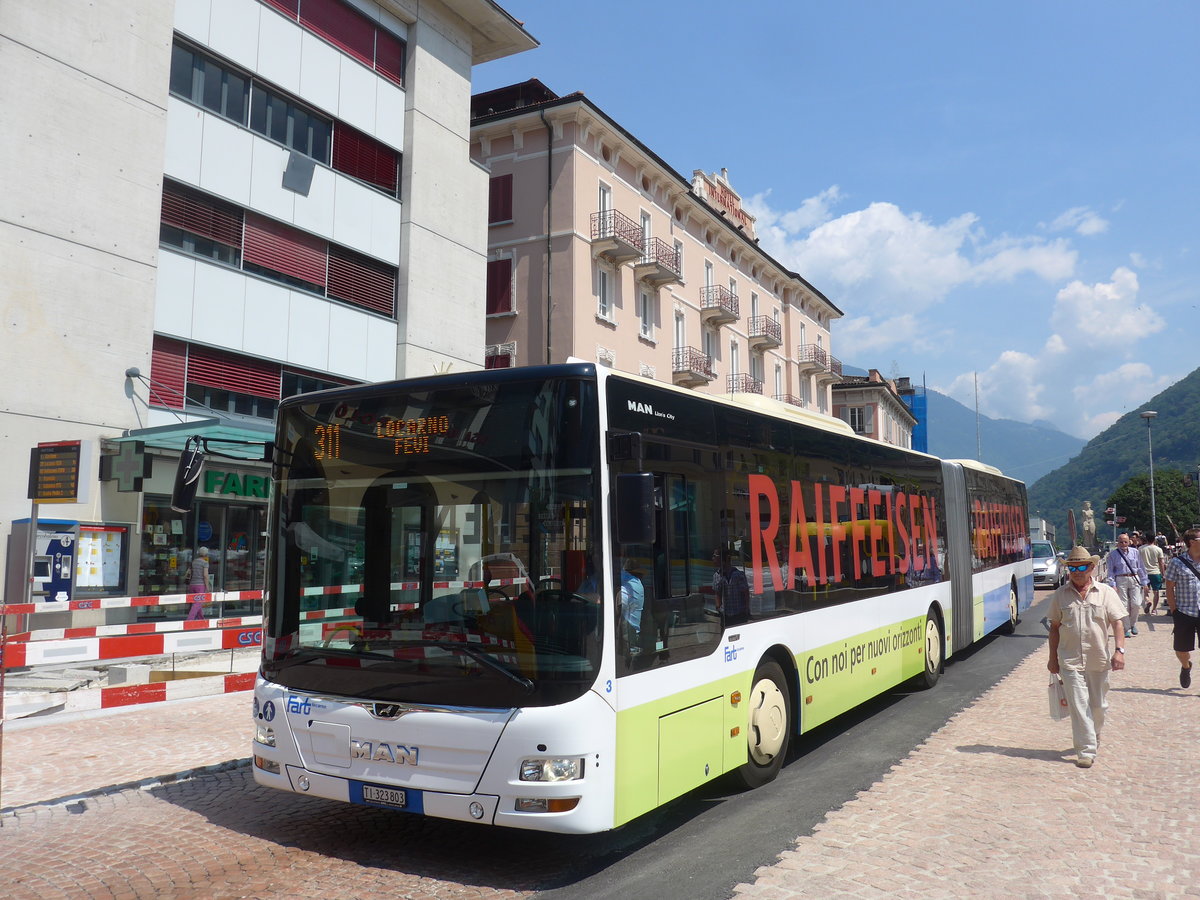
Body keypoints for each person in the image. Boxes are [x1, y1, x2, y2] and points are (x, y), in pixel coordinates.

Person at [1047, 546, 1127, 768]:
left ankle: (1094, 733)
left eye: (1082, 567)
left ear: (1092, 568)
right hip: (1070, 660)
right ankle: (1086, 750)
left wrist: (1119, 651)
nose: (1077, 571)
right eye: (1073, 567)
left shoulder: (1106, 592)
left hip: (1098, 659)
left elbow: (1118, 623)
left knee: (1098, 706)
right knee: (1079, 706)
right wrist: (1052, 658)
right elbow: (1054, 628)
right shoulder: (1060, 596)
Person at [1164, 528, 1200, 689]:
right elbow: (1169, 587)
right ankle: (1186, 666)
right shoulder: (1177, 562)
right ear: (1192, 542)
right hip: (1184, 611)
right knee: (1181, 649)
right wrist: (1174, 611)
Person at [1104, 532, 1149, 637]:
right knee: (1123, 605)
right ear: (1118, 543)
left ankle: (1133, 624)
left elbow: (1141, 567)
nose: (1123, 544)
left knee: (1136, 603)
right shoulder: (1113, 555)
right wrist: (1112, 584)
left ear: (1129, 542)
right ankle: (1126, 627)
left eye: (1125, 542)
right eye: (1121, 542)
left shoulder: (1135, 552)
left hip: (1134, 577)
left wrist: (1144, 582)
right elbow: (1110, 571)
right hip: (1121, 578)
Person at [712, 547, 750, 626]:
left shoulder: (738, 574)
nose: (713, 559)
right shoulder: (716, 575)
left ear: (723, 560)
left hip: (739, 613)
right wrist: (718, 607)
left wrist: (746, 609)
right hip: (725, 615)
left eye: (715, 556)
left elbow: (745, 592)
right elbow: (717, 593)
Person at [620, 559, 645, 652]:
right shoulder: (637, 584)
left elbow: (617, 603)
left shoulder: (632, 586)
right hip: (630, 636)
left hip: (628, 639)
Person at [1138, 531, 1166, 614]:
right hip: (1155, 572)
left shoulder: (1140, 549)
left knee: (1145, 591)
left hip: (1144, 573)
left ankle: (1147, 601)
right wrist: (1163, 574)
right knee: (1156, 591)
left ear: (1146, 539)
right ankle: (1154, 609)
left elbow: (1138, 562)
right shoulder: (1158, 549)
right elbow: (1161, 563)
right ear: (1154, 539)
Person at [186, 546, 211, 621]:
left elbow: (189, 572)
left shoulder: (194, 562)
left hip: (192, 585)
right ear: (206, 554)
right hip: (200, 585)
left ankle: (201, 619)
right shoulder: (205, 563)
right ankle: (189, 620)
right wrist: (207, 587)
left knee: (196, 602)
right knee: (197, 603)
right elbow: (205, 576)